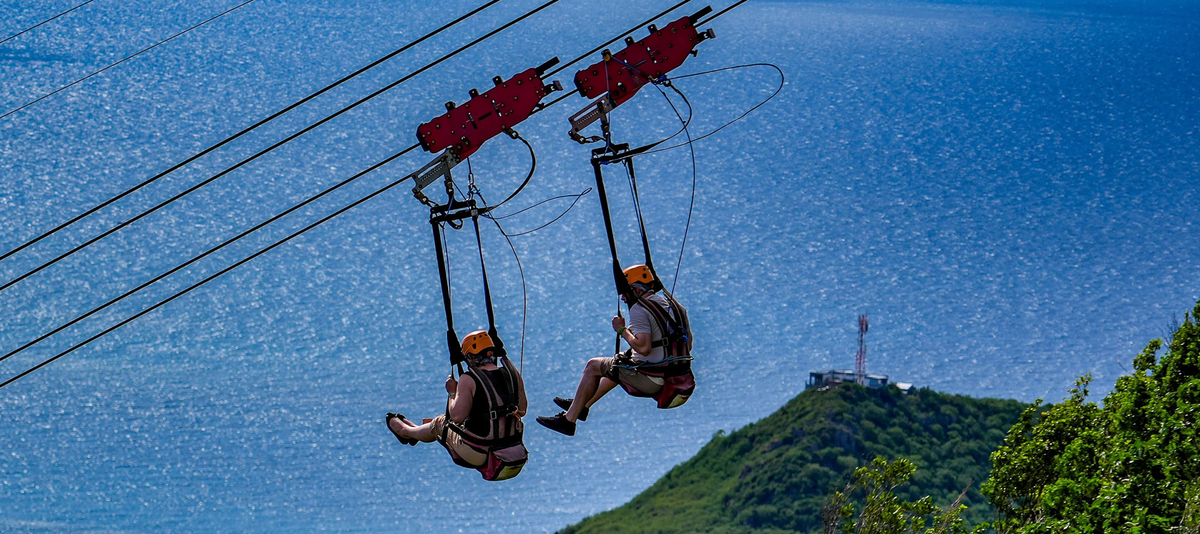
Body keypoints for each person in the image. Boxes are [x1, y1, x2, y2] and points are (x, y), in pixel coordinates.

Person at [537, 264, 690, 436]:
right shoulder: (676, 307)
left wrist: (621, 330)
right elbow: (687, 345)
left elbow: (645, 347)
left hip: (656, 382)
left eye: (626, 292)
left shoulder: (640, 309)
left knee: (593, 365)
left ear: (637, 290)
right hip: (680, 378)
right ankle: (582, 406)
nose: (624, 298)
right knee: (621, 363)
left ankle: (568, 421)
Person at [387, 330, 528, 478]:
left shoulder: (470, 379)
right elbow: (522, 409)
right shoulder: (512, 373)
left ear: (470, 358)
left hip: (481, 452)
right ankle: (417, 430)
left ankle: (407, 432)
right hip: (515, 451)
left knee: (440, 423)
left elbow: (456, 417)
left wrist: (452, 392)